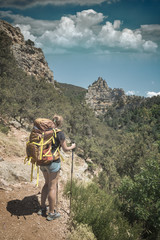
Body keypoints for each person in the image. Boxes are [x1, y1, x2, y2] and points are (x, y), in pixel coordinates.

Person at [37, 114, 76, 221]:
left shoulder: (44, 132)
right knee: (52, 187)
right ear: (60, 123)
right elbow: (65, 149)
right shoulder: (60, 134)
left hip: (43, 162)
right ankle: (51, 213)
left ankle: (42, 208)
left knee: (46, 183)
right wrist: (72, 146)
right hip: (53, 162)